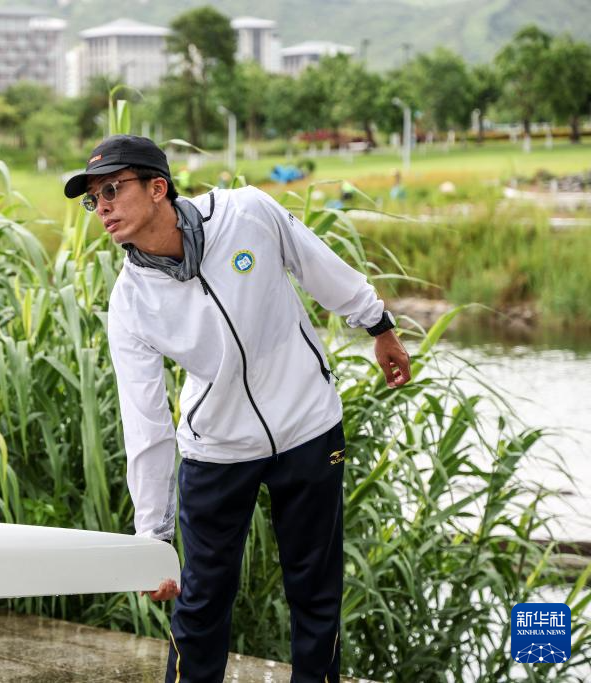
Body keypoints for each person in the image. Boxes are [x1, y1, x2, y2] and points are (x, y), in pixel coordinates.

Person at [63, 135, 411, 683]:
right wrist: (152, 537)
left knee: (315, 594)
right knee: (201, 602)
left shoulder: (246, 213)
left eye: (111, 190)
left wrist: (377, 324)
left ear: (157, 188)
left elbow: (318, 265)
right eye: (93, 199)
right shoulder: (131, 302)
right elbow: (145, 420)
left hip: (308, 425)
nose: (101, 207)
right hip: (217, 448)